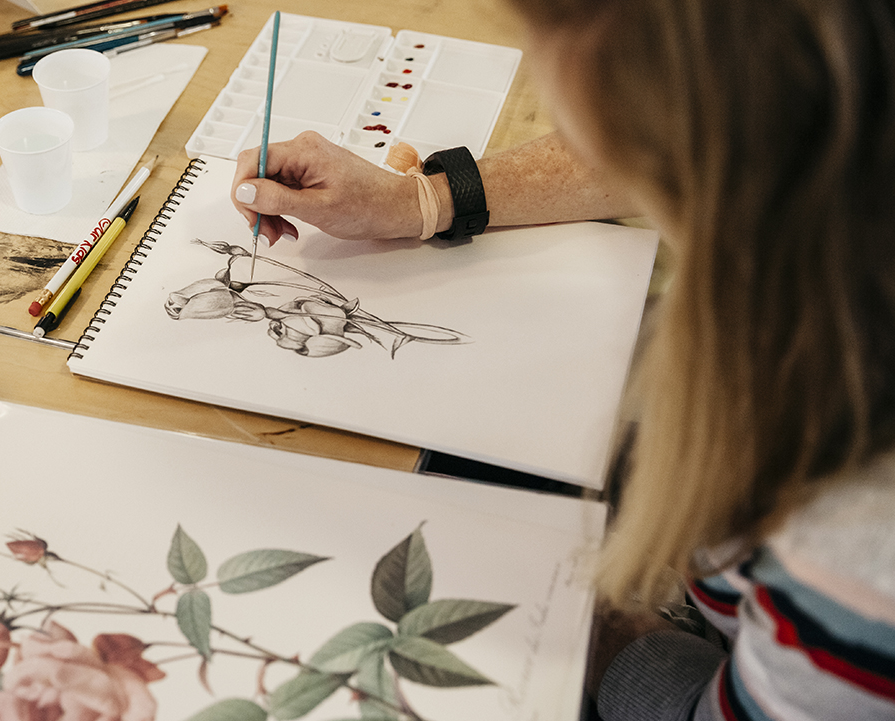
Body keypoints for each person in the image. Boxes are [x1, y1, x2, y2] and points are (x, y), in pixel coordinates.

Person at [231, 1, 895, 719]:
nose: (564, 121)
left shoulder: (856, 554)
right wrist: (420, 199)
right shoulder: (844, 124)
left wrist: (572, 602)